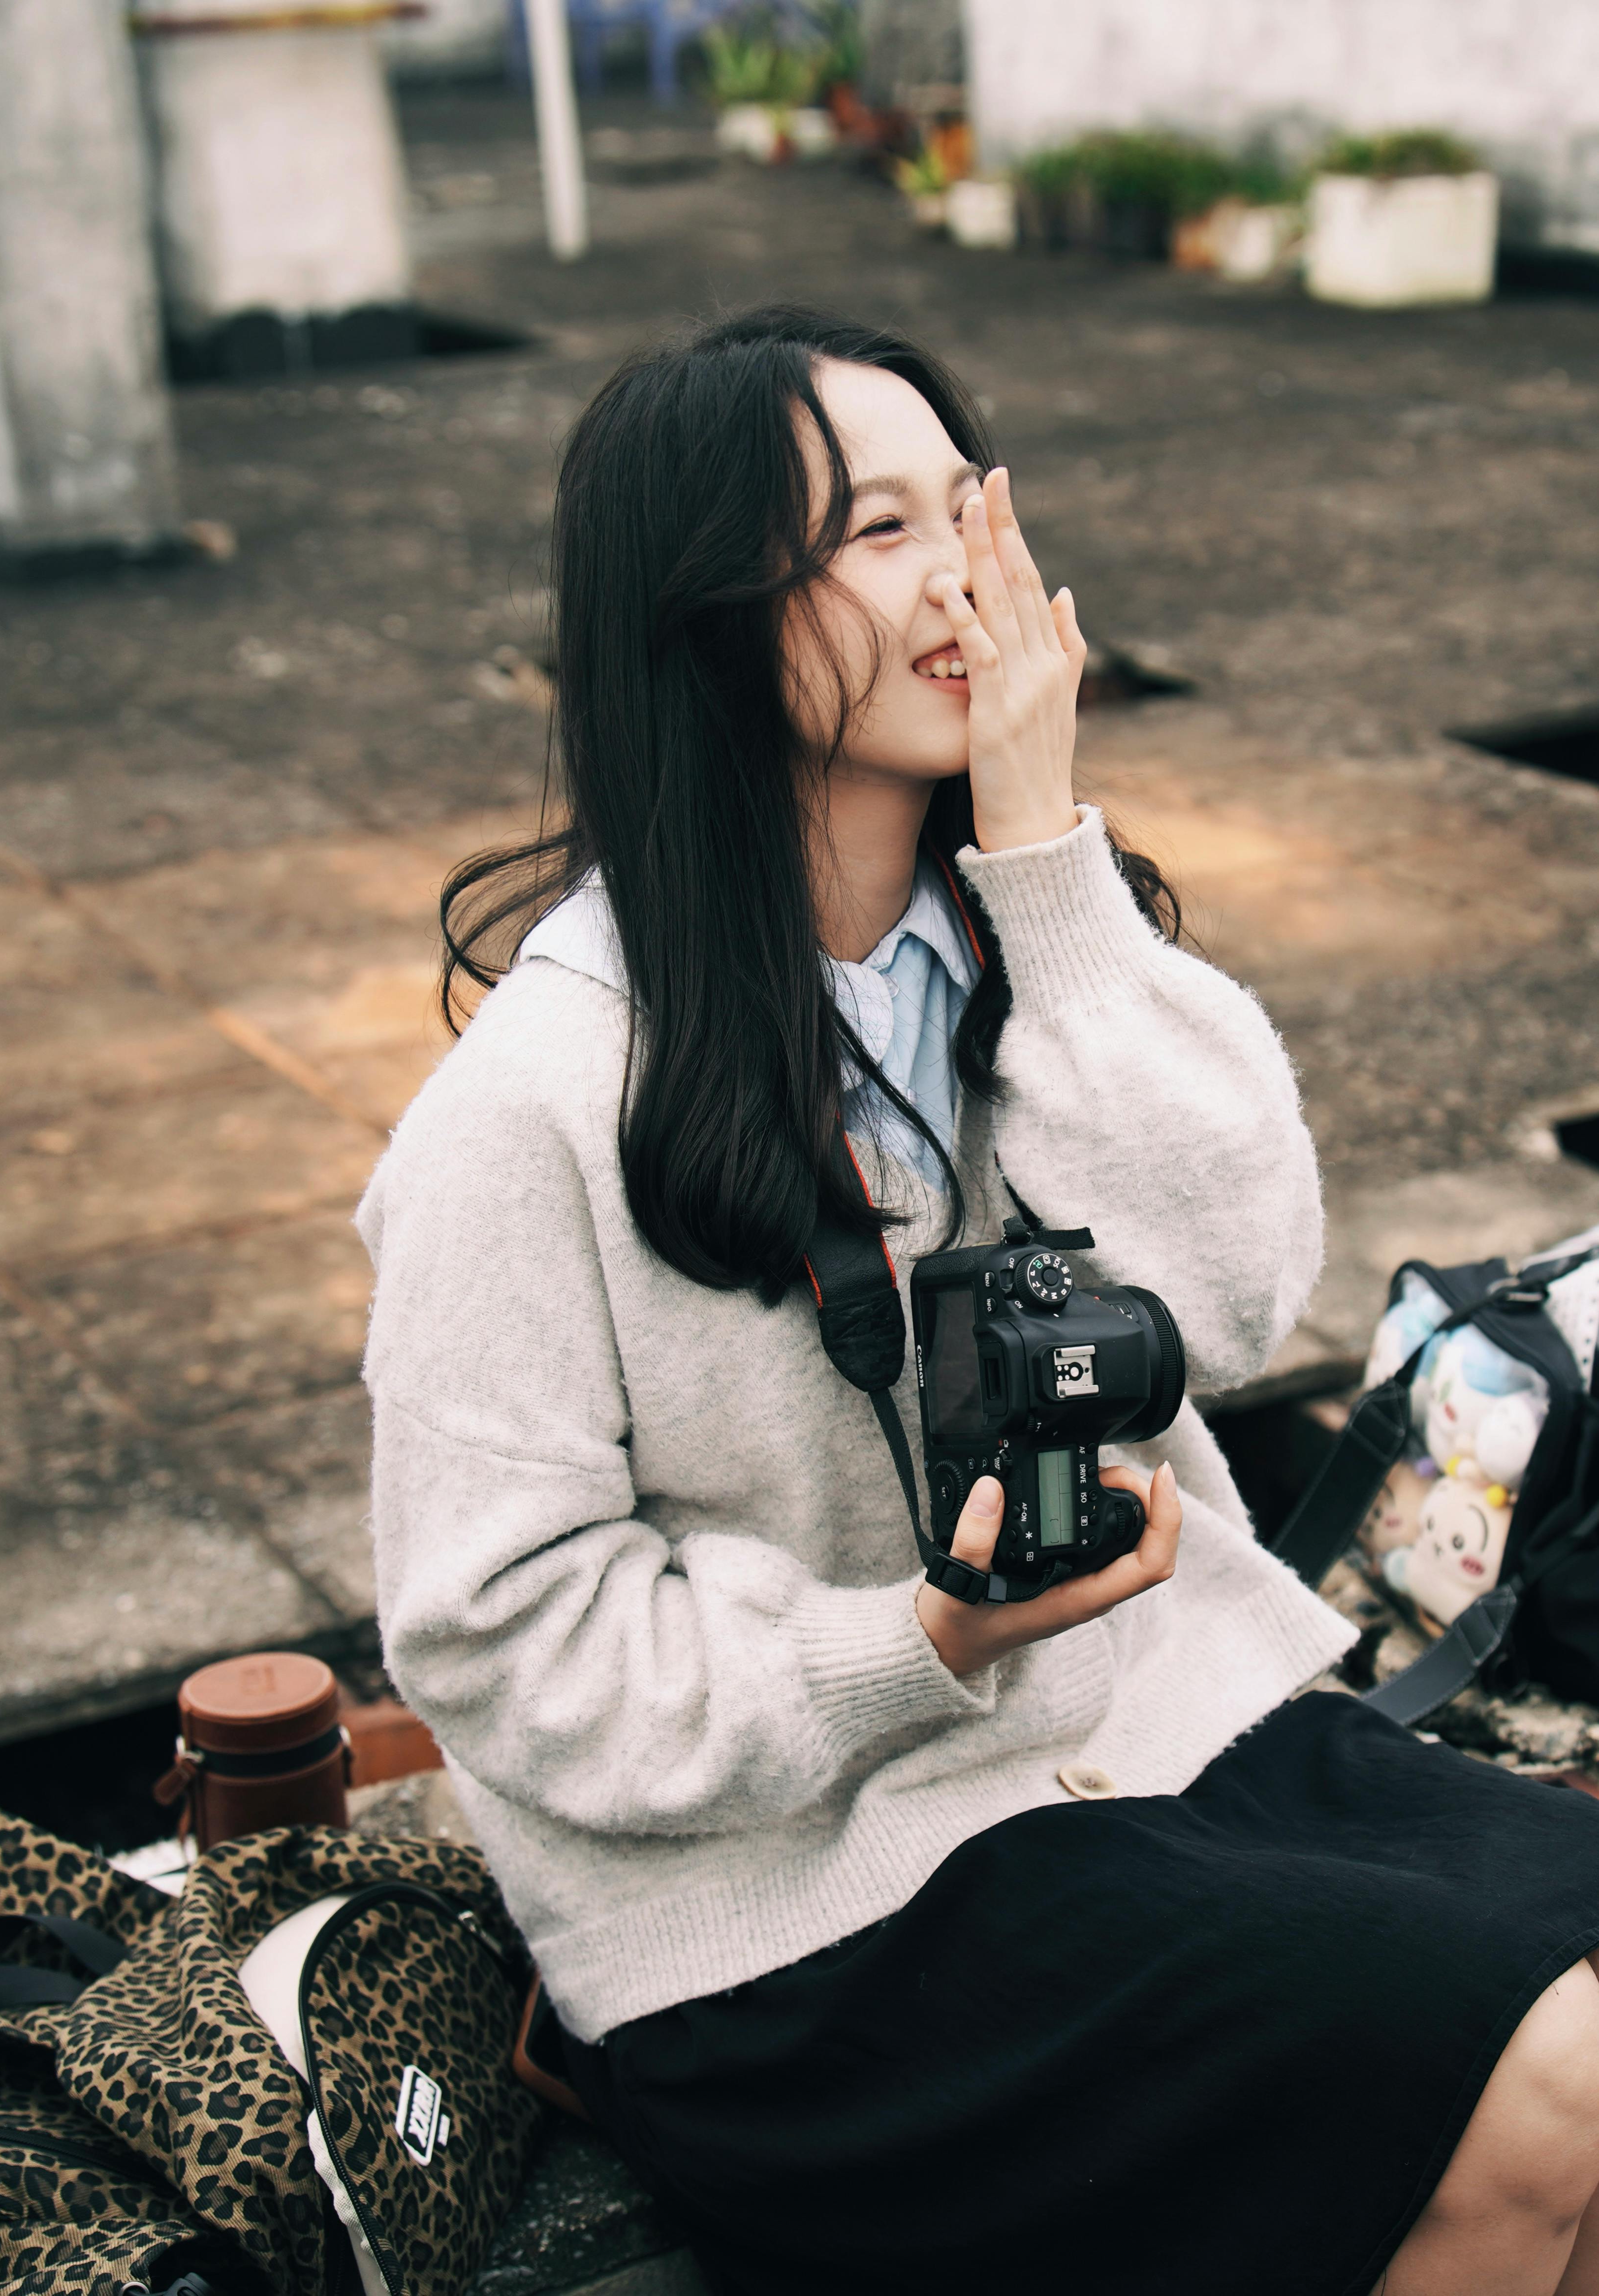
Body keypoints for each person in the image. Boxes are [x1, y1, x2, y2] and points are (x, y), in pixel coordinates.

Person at [356, 307, 1599, 2296]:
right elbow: (502, 1650)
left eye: (970, 509)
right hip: (798, 1916)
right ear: (704, 614)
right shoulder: (530, 1112)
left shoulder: (1027, 954)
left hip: (1159, 1745)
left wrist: (1042, 853)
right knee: (1551, 2081)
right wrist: (912, 1638)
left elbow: (1231, 1288)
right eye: (871, 530)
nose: (958, 579)